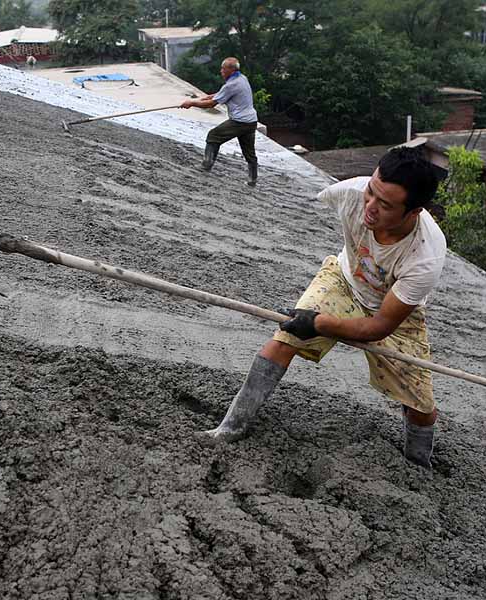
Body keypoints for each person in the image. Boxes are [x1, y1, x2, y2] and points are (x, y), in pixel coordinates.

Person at [195, 145, 447, 469]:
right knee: (285, 339)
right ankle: (230, 428)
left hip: (393, 312)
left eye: (385, 205)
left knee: (420, 404)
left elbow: (379, 327)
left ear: (414, 212)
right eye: (371, 192)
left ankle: (418, 464)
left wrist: (318, 324)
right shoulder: (350, 194)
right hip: (343, 280)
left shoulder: (425, 256)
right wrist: (312, 321)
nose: (370, 207)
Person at [180, 57, 259, 187]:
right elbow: (222, 94)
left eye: (223, 69)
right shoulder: (242, 78)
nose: (221, 71)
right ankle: (252, 180)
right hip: (251, 121)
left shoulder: (231, 85)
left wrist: (191, 103)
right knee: (249, 153)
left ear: (231, 70)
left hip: (240, 122)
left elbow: (211, 104)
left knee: (213, 136)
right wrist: (209, 96)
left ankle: (206, 166)